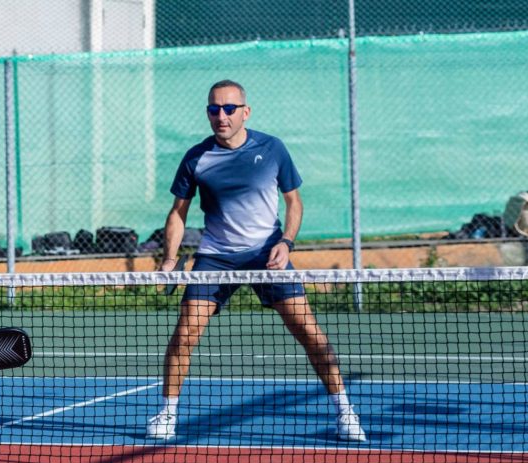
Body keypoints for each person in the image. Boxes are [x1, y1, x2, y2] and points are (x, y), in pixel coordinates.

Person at [147, 80, 366, 444]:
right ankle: (168, 413)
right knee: (185, 334)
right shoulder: (196, 158)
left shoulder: (272, 148)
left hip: (267, 255)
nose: (221, 115)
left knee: (308, 332)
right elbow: (177, 213)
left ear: (245, 112)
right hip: (216, 257)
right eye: (214, 109)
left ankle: (345, 411)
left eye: (229, 108)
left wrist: (287, 242)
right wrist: (170, 259)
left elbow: (294, 203)